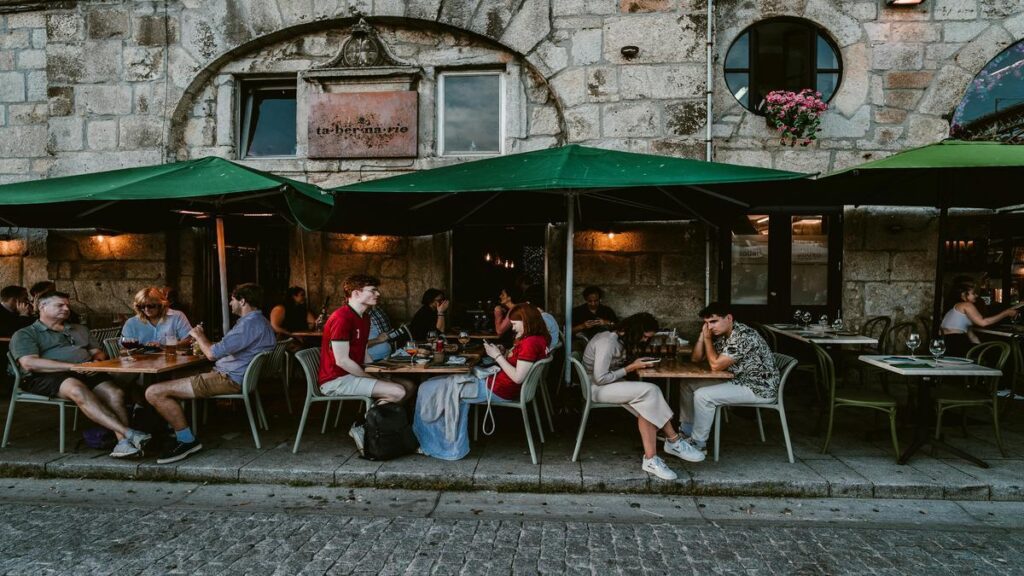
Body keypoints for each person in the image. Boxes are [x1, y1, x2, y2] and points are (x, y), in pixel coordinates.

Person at [144, 283, 277, 464]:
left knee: (153, 392)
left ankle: (186, 440)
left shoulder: (248, 325)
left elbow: (212, 354)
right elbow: (226, 349)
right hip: (237, 375)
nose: (230, 303)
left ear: (243, 301)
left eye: (232, 299)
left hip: (227, 378)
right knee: (174, 376)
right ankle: (173, 424)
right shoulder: (260, 322)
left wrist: (199, 335)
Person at [10, 291, 151, 458]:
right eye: (60, 305)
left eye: (68, 305)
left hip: (84, 371)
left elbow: (98, 353)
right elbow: (30, 363)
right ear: (42, 306)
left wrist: (97, 362)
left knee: (115, 393)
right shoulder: (26, 333)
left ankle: (123, 443)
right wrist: (73, 367)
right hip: (44, 375)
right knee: (77, 389)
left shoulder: (80, 329)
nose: (66, 308)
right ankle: (128, 434)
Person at [414, 304, 549, 460]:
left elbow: (518, 377)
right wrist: (504, 353)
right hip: (499, 384)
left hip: (499, 389)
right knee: (435, 383)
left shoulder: (530, 343)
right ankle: (443, 441)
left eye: (514, 324)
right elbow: (518, 365)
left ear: (526, 321)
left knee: (428, 387)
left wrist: (497, 356)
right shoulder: (538, 339)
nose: (512, 329)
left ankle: (442, 445)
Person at [583, 313, 705, 479]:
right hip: (596, 388)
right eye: (644, 337)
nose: (644, 341)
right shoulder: (608, 341)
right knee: (651, 390)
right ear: (634, 331)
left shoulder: (620, 340)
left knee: (647, 405)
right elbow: (600, 378)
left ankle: (651, 459)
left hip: (610, 384)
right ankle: (674, 440)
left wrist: (635, 362)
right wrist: (631, 367)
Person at [318, 275, 412, 455]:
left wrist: (378, 372)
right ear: (356, 293)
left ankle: (376, 427)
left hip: (352, 374)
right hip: (336, 379)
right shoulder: (341, 318)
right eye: (372, 290)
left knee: (409, 386)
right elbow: (342, 360)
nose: (378, 293)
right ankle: (362, 425)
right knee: (398, 391)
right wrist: (368, 376)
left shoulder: (364, 317)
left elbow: (364, 353)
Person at [686, 302, 779, 455]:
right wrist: (703, 337)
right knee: (688, 384)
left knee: (703, 396)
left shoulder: (743, 336)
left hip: (758, 387)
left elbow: (716, 366)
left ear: (729, 318)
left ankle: (698, 445)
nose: (710, 327)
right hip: (738, 380)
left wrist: (708, 340)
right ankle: (686, 431)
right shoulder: (724, 334)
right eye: (707, 323)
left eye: (713, 321)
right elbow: (696, 359)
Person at [940, 280, 1019, 357]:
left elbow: (972, 336)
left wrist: (981, 348)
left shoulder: (957, 307)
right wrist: (1006, 313)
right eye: (973, 293)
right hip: (954, 343)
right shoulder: (966, 305)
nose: (976, 296)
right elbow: (983, 322)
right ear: (963, 294)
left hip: (947, 342)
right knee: (998, 352)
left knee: (988, 353)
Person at [121, 287, 192, 347]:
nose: (146, 309)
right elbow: (123, 348)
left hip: (170, 359)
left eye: (151, 306)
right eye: (142, 306)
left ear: (161, 305)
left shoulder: (177, 316)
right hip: (141, 361)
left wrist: (164, 346)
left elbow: (189, 340)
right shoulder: (131, 323)